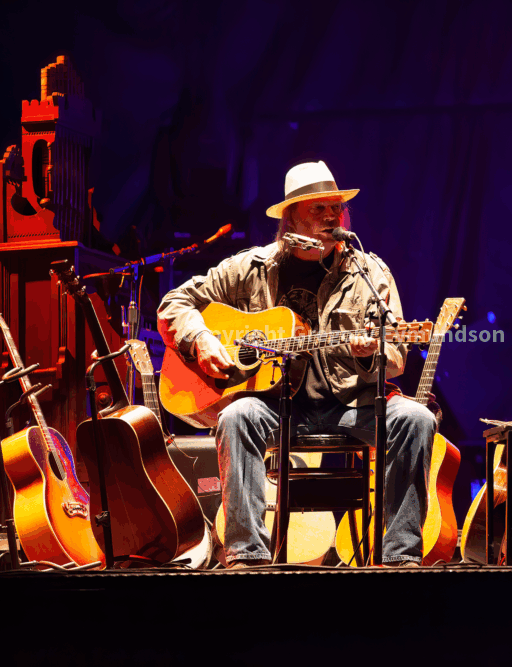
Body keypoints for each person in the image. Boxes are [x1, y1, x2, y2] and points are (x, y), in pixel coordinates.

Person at [157, 160, 435, 568]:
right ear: (291, 218)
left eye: (334, 208)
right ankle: (246, 556)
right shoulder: (251, 267)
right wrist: (201, 340)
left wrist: (369, 354)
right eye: (317, 209)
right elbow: (173, 303)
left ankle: (400, 558)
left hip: (350, 406)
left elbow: (395, 357)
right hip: (276, 406)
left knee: (417, 419)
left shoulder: (366, 271)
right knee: (236, 417)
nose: (329, 216)